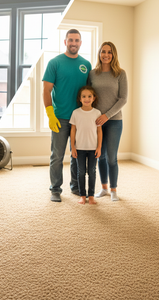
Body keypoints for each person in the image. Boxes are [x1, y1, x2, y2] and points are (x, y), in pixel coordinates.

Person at [42, 29, 92, 202]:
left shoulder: (86, 64)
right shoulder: (55, 62)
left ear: (80, 43)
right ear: (65, 42)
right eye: (70, 40)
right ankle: (55, 189)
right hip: (61, 118)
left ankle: (76, 186)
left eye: (77, 40)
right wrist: (50, 114)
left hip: (80, 118)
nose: (73, 43)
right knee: (57, 155)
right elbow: (46, 90)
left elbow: (90, 92)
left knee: (76, 154)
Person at [88, 41, 128, 201]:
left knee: (111, 157)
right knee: (100, 156)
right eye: (103, 51)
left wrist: (107, 115)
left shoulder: (120, 74)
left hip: (114, 121)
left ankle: (113, 190)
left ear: (114, 55)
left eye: (109, 52)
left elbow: (123, 99)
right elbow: (88, 95)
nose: (106, 55)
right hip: (96, 121)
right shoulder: (92, 74)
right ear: (99, 54)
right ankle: (104, 188)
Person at [70, 86, 102, 205]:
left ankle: (91, 195)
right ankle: (83, 195)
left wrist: (99, 147)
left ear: (94, 98)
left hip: (93, 148)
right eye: (84, 96)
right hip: (80, 149)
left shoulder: (97, 113)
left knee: (92, 172)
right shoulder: (76, 113)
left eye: (89, 96)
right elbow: (73, 130)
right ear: (80, 98)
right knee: (81, 172)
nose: (86, 99)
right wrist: (73, 147)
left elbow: (99, 131)